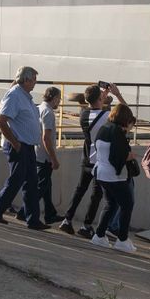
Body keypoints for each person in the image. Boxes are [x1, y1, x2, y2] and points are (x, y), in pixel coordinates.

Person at [0, 66, 45, 228]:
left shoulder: (24, 95)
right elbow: (1, 120)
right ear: (26, 80)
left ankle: (33, 219)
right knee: (16, 180)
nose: (35, 83)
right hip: (19, 145)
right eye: (34, 80)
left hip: (28, 146)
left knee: (31, 182)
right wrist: (15, 143)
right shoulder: (15, 95)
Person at [60, 82, 119, 236]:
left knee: (80, 190)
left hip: (86, 158)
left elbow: (94, 107)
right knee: (96, 195)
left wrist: (101, 97)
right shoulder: (106, 116)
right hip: (99, 161)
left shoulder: (83, 114)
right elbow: (124, 113)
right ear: (99, 99)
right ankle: (86, 226)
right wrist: (117, 94)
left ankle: (67, 219)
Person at [89, 101, 138, 253]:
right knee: (127, 205)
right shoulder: (117, 133)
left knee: (110, 204)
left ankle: (99, 235)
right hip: (115, 176)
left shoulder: (104, 128)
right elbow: (118, 156)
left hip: (100, 173)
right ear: (125, 119)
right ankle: (122, 240)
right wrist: (130, 156)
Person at [31, 86, 64, 224]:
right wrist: (53, 159)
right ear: (54, 98)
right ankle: (25, 212)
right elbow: (46, 138)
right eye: (59, 99)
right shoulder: (48, 112)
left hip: (36, 152)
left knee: (46, 186)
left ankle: (50, 214)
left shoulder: (38, 108)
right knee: (41, 187)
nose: (59, 102)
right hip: (45, 156)